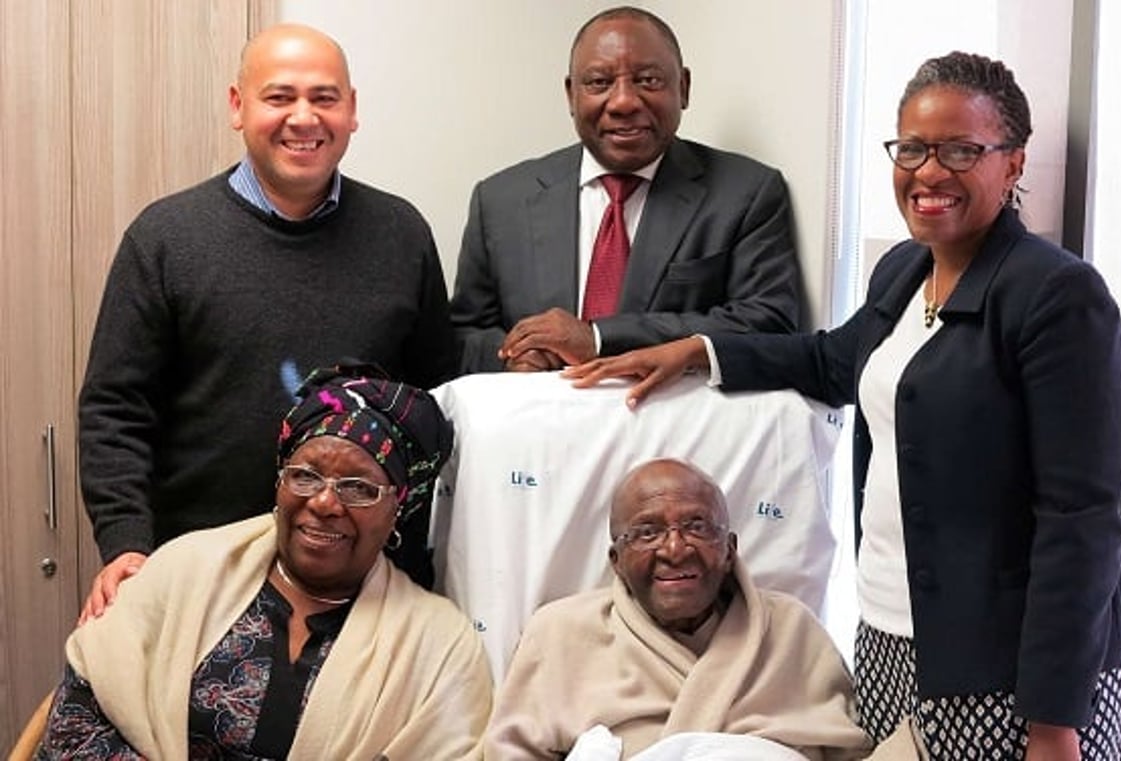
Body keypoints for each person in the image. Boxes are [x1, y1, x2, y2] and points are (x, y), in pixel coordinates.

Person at [564, 52, 1121, 761]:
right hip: (892, 633)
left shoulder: (1054, 297)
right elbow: (834, 360)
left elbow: (1081, 520)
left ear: (1012, 165)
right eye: (913, 148)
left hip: (1010, 662)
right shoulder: (905, 269)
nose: (928, 172)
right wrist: (696, 350)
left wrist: (1053, 719)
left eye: (961, 150)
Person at [77, 23, 455, 619]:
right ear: (238, 106)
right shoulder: (165, 239)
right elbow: (115, 412)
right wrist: (127, 543)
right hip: (199, 577)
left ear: (352, 110)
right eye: (279, 97)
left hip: (363, 586)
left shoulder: (402, 234)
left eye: (324, 98)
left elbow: (435, 400)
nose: (303, 118)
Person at [38, 365, 492, 759]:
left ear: (398, 507)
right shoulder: (184, 570)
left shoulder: (440, 647)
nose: (325, 502)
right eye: (305, 476)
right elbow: (76, 722)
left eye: (358, 487)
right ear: (279, 483)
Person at [485, 458, 922, 760]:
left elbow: (849, 750)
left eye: (696, 526)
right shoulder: (561, 632)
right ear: (615, 562)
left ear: (730, 550)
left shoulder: (791, 629)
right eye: (647, 532)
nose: (675, 549)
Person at [449, 6, 802, 374]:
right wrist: (519, 354)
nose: (623, 102)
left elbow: (768, 322)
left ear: (683, 87)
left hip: (672, 425)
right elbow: (461, 336)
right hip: (540, 424)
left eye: (648, 80)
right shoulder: (500, 200)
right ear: (571, 95)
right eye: (599, 82)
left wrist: (598, 338)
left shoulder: (746, 194)